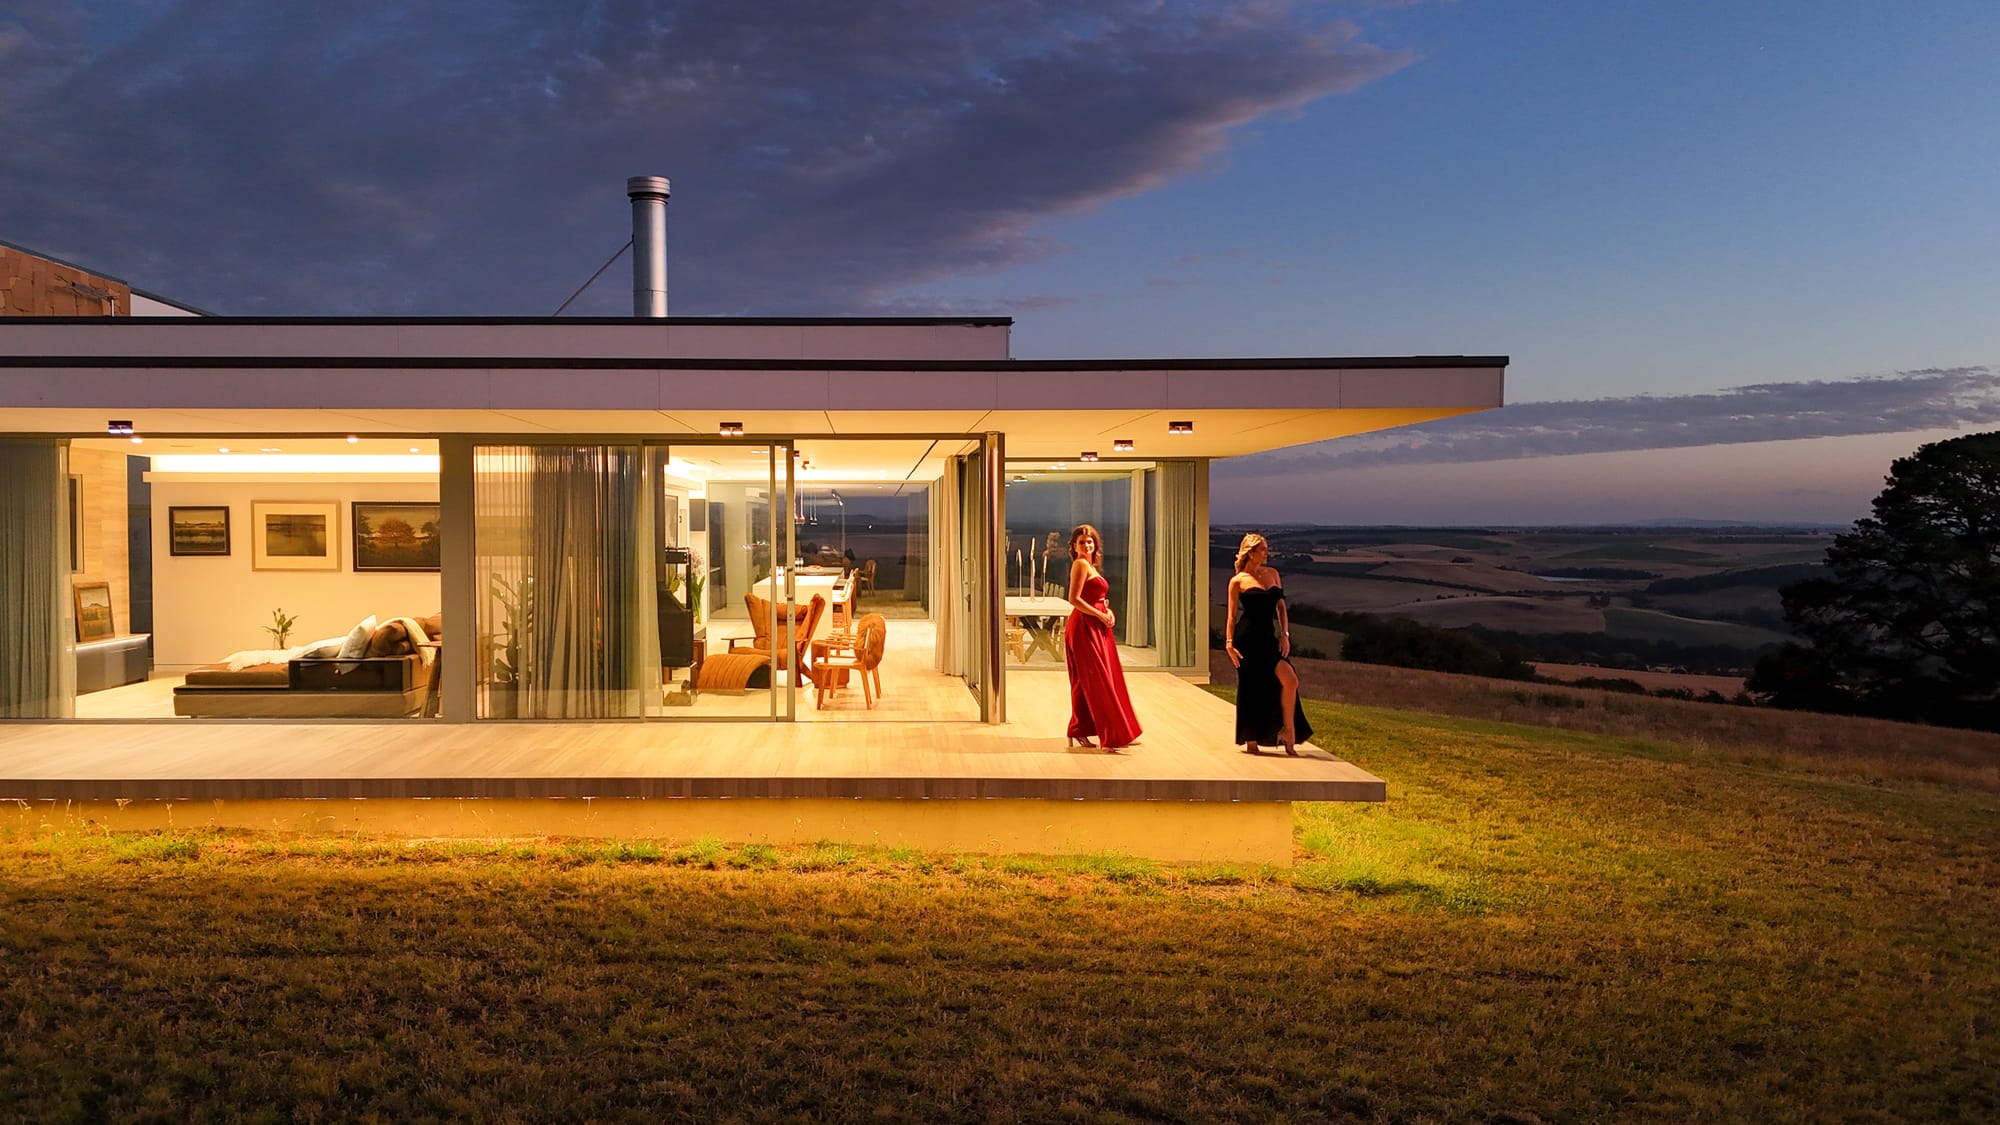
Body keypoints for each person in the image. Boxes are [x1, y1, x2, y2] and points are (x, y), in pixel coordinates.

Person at [1225, 532, 1312, 755]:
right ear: (1251, 552)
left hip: (1268, 638)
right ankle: (1251, 738)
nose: (1267, 553)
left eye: (1266, 548)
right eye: (1263, 549)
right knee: (1251, 687)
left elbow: (1281, 607)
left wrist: (1285, 634)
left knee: (1290, 680)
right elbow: (1232, 616)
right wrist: (1229, 643)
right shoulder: (1238, 580)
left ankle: (1288, 730)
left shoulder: (1273, 574)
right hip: (1247, 640)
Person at [1063, 523, 1141, 750]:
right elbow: (1074, 599)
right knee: (1089, 680)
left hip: (1097, 626)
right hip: (1084, 627)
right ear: (1074, 546)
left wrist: (1107, 611)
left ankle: (1116, 729)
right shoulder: (1080, 564)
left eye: (1090, 542)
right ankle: (1079, 730)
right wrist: (1100, 614)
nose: (1087, 545)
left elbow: (1096, 596)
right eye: (1082, 542)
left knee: (1105, 678)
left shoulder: (1090, 565)